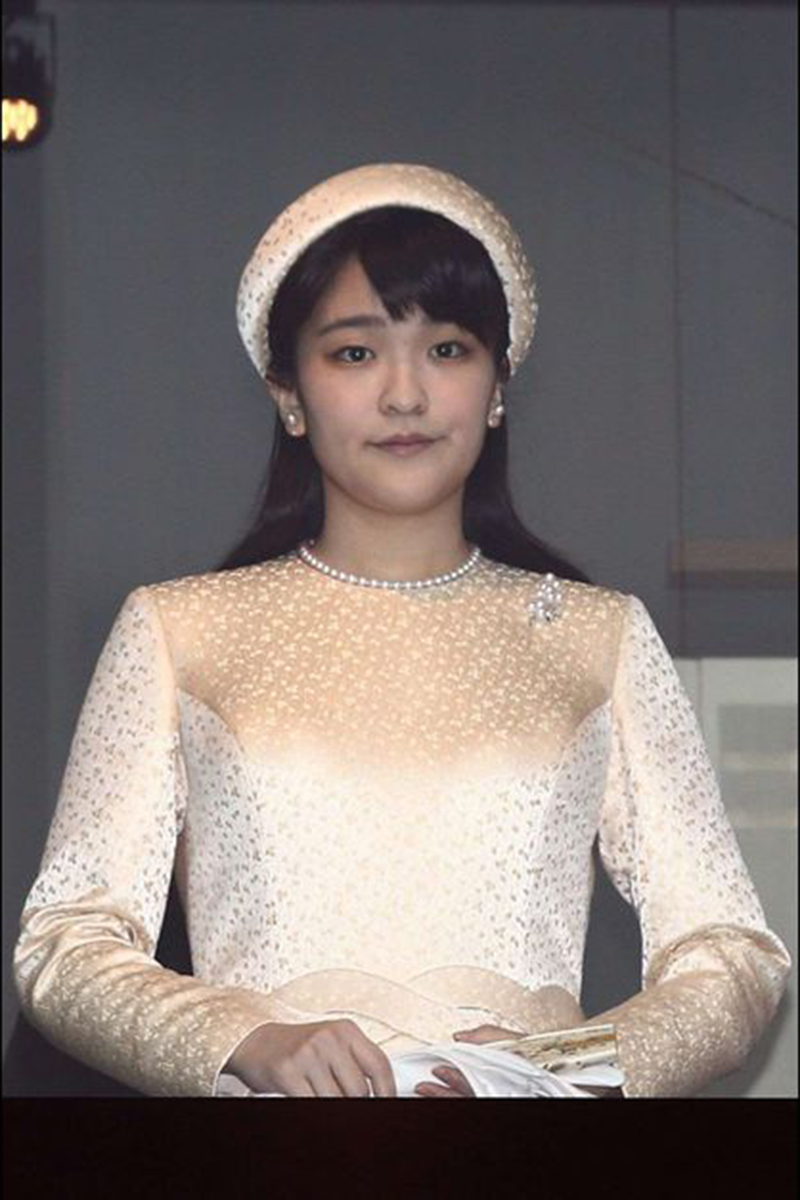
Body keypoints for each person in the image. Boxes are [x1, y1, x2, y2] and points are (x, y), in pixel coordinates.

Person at [12, 162, 791, 1099]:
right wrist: (246, 1037)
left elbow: (732, 952)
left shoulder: (599, 637)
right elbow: (65, 942)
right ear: (287, 391)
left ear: (498, 384)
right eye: (354, 353)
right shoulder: (179, 630)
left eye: (447, 349)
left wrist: (557, 1066)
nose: (405, 395)